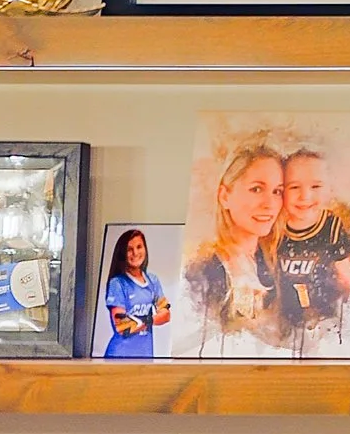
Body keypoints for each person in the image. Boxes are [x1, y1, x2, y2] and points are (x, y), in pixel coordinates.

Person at [186, 141, 285, 347]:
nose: (269, 204)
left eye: (277, 191)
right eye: (256, 189)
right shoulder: (203, 272)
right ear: (225, 196)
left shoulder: (274, 264)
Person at [272, 146, 350, 350]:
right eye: (294, 187)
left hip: (325, 317)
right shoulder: (273, 228)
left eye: (315, 186)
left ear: (329, 190)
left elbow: (347, 273)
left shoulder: (331, 227)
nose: (305, 196)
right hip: (285, 318)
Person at [100, 226, 170, 360]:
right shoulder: (118, 283)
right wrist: (151, 319)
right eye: (129, 249)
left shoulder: (153, 280)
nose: (135, 253)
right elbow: (122, 326)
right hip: (120, 357)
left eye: (139, 247)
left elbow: (166, 315)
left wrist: (141, 321)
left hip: (145, 356)